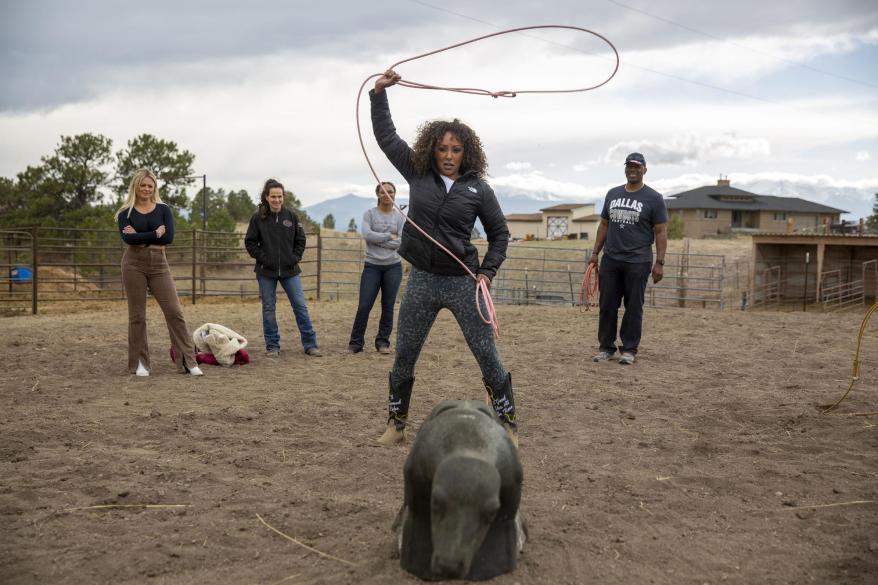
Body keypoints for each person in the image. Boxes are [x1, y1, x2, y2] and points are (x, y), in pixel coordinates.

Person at [370, 70, 517, 446]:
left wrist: (487, 273)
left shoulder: (478, 189)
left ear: (466, 152)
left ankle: (508, 425)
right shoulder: (417, 173)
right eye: (442, 149)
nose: (448, 156)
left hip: (462, 282)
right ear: (431, 150)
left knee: (486, 354)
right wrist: (379, 94)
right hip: (421, 279)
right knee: (404, 355)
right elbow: (387, 137)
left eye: (455, 150)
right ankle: (396, 424)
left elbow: (500, 234)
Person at [116, 168, 203, 377]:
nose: (146, 189)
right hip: (133, 263)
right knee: (137, 316)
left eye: (150, 185)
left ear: (154, 188)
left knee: (174, 312)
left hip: (159, 264)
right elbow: (128, 239)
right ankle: (140, 363)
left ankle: (188, 361)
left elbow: (168, 238)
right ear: (135, 186)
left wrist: (141, 235)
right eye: (143, 185)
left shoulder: (163, 209)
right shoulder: (124, 213)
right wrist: (155, 233)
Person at [588, 152, 668, 365]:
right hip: (611, 259)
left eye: (637, 167)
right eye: (629, 166)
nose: (633, 170)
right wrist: (595, 253)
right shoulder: (612, 194)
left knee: (633, 307)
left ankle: (629, 349)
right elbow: (604, 224)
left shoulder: (654, 198)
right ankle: (606, 347)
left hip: (638, 260)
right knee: (607, 305)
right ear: (625, 169)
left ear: (644, 170)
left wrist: (659, 262)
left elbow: (660, 231)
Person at [244, 178, 321, 357]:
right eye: (273, 196)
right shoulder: (257, 218)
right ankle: (272, 346)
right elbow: (250, 243)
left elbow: (301, 240)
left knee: (300, 306)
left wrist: (294, 258)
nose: (277, 200)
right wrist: (264, 258)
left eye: (279, 196)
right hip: (266, 272)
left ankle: (310, 345)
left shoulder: (291, 217)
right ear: (266, 197)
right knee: (269, 308)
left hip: (290, 271)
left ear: (283, 197)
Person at [347, 181, 406, 354]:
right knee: (364, 305)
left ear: (395, 194)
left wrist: (380, 240)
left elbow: (402, 241)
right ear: (377, 195)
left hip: (393, 267)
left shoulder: (400, 217)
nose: (387, 194)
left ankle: (383, 342)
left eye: (390, 191)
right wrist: (389, 236)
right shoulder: (370, 214)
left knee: (388, 305)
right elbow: (367, 235)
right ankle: (356, 343)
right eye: (383, 192)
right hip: (372, 266)